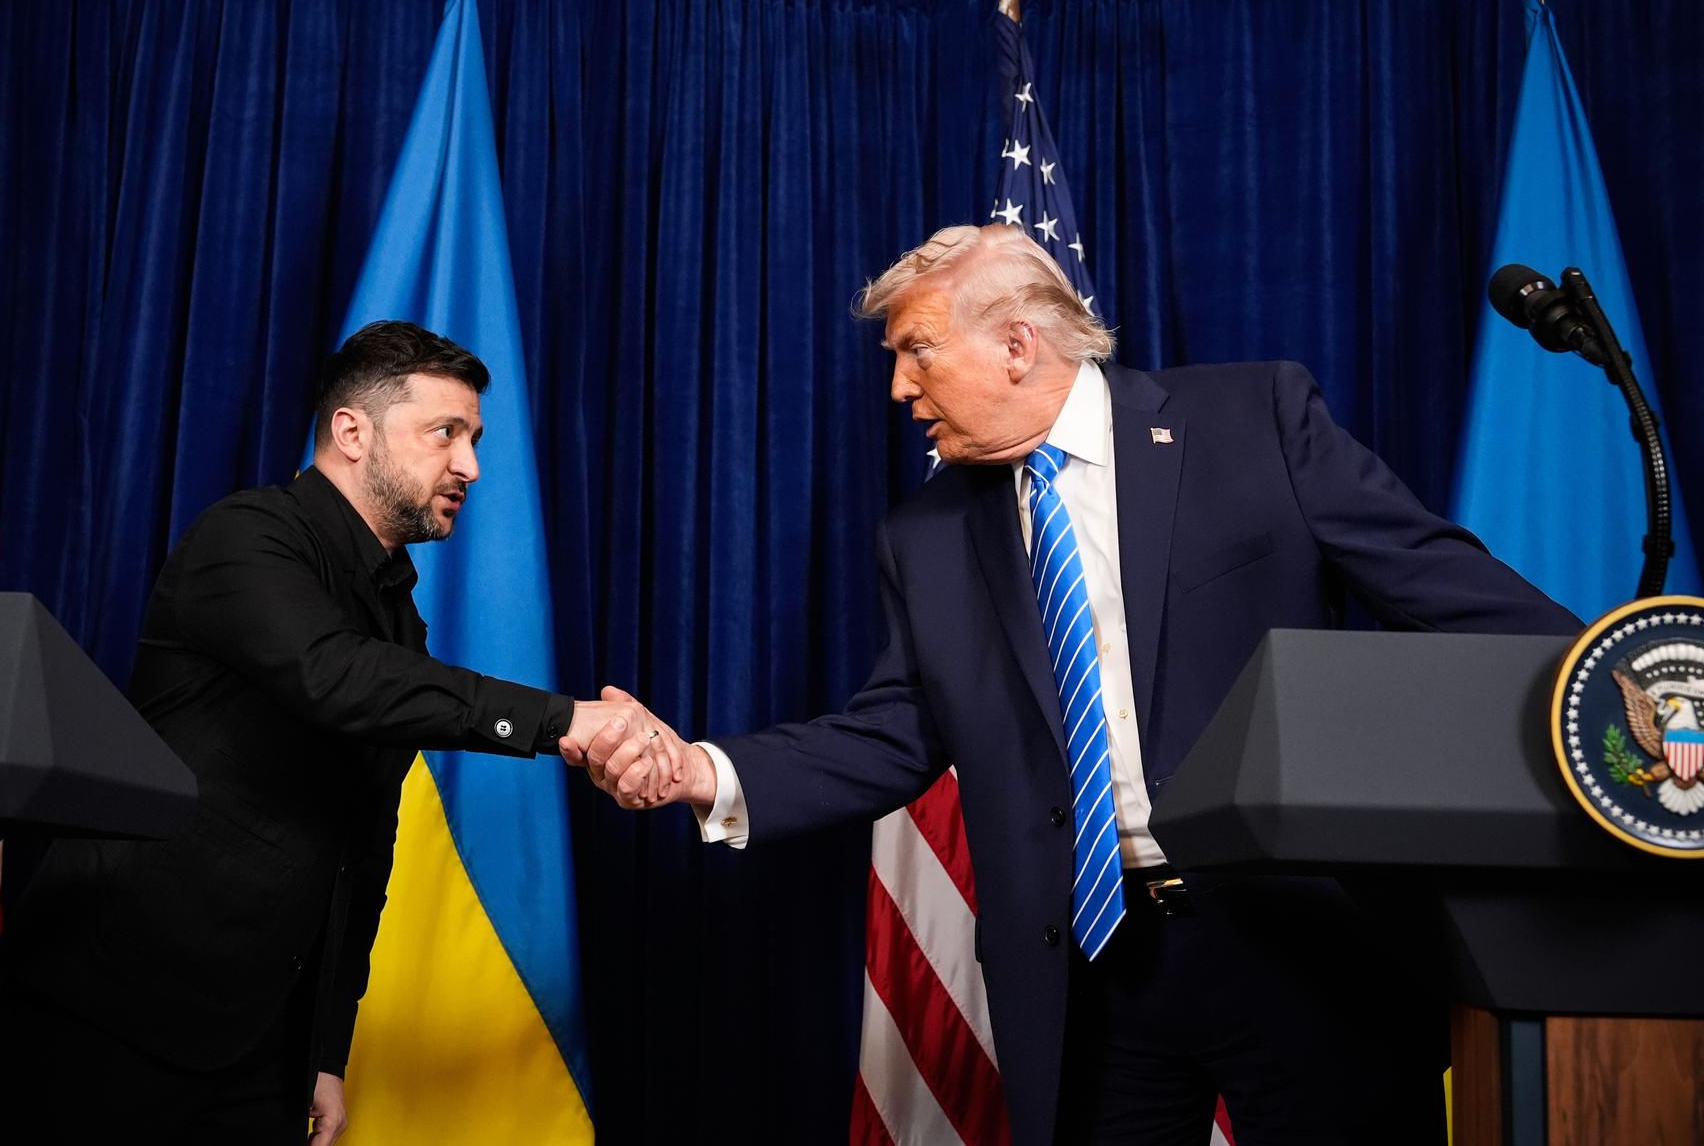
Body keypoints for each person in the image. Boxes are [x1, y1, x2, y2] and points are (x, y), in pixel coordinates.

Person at [569, 225, 1581, 1145]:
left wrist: (1636, 701)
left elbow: (1451, 594)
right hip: (1087, 973)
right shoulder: (924, 536)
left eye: (916, 351)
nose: (899, 391)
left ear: (1017, 345)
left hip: (1297, 940)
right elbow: (893, 734)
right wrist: (701, 769)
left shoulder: (1253, 419)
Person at [0, 321, 670, 1145]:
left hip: (262, 1048)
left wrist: (324, 1049)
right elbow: (334, 676)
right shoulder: (245, 536)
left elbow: (359, 849)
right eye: (447, 434)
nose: (471, 466)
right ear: (352, 432)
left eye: (473, 439)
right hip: (110, 1008)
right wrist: (567, 718)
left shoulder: (397, 615)